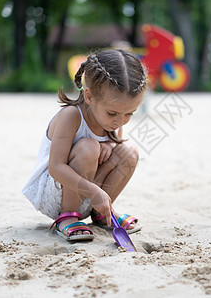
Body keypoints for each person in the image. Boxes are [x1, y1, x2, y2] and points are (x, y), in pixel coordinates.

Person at [22, 49, 146, 241]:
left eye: (130, 113)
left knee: (128, 151)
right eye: (112, 113)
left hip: (91, 194)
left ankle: (101, 213)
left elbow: (115, 149)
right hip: (56, 193)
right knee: (88, 147)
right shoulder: (71, 116)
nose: (120, 121)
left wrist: (110, 147)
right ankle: (68, 217)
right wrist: (93, 190)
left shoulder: (115, 122)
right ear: (89, 96)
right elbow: (56, 168)